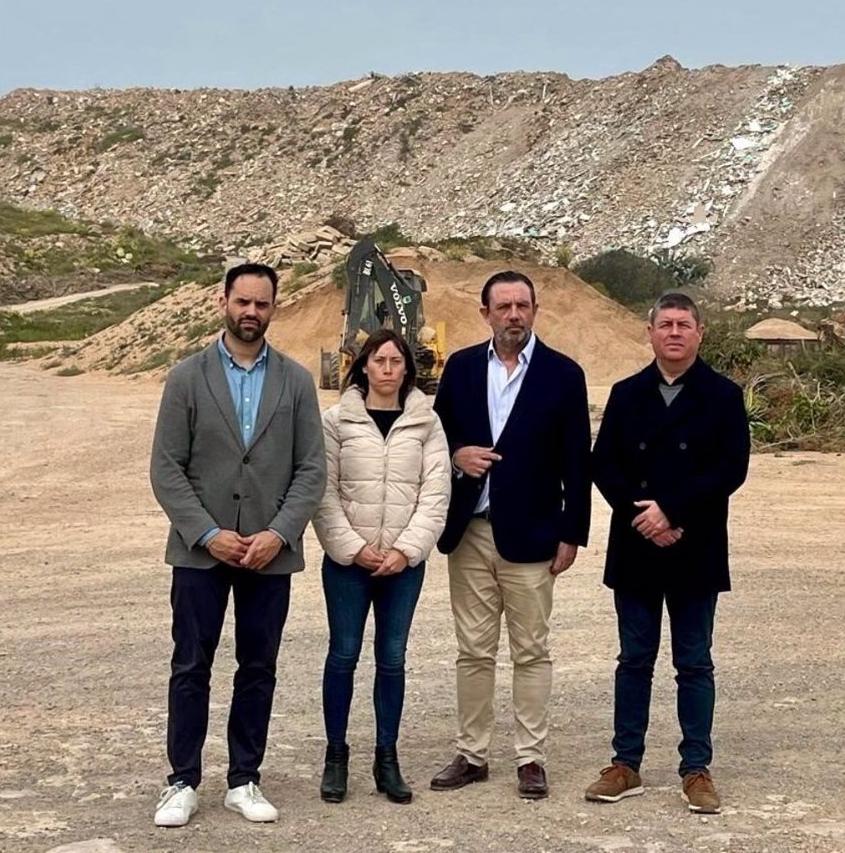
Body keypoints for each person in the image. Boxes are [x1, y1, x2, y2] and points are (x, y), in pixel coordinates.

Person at [149, 262, 326, 828]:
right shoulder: (186, 377)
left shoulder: (296, 382)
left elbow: (311, 470)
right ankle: (181, 780)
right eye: (242, 302)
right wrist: (207, 533)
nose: (251, 312)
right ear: (224, 301)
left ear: (275, 307)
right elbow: (167, 468)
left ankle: (244, 779)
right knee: (191, 664)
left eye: (262, 304)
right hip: (202, 552)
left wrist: (279, 533)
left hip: (270, 554)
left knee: (258, 667)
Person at [428, 270, 591, 800]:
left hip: (535, 533)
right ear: (485, 313)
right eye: (503, 307)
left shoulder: (564, 374)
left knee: (531, 650)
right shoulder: (460, 367)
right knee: (473, 651)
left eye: (522, 306)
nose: (514, 315)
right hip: (470, 531)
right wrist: (456, 455)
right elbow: (438, 434)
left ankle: (530, 758)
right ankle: (472, 754)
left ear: (535, 310)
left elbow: (577, 461)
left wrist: (573, 532)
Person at [584, 292, 749, 814]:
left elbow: (731, 469)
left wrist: (672, 512)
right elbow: (604, 464)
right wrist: (644, 518)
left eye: (684, 325)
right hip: (636, 546)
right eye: (665, 325)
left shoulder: (723, 395)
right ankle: (625, 763)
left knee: (694, 662)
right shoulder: (627, 393)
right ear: (650, 333)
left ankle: (696, 768)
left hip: (694, 545)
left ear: (700, 333)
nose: (674, 333)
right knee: (633, 659)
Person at [311, 329, 450, 805]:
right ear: (363, 366)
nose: (388, 368)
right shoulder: (335, 421)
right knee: (344, 655)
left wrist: (406, 550)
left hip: (403, 566)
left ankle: (387, 759)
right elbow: (322, 492)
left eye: (396, 361)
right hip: (349, 564)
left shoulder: (427, 423)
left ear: (408, 369)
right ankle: (336, 758)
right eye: (379, 360)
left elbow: (435, 494)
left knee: (392, 659)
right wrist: (352, 548)